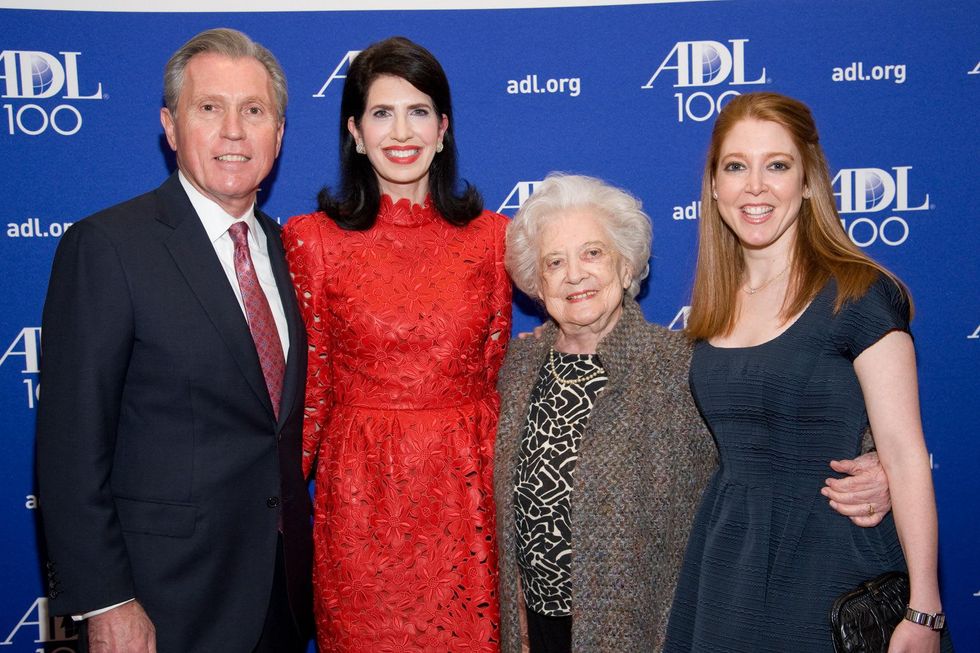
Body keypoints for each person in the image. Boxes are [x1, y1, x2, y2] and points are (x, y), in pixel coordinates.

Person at [495, 173, 891, 653]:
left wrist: (878, 461)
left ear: (627, 266)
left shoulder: (682, 362)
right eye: (554, 262)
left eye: (593, 253)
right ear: (537, 284)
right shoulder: (516, 367)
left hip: (653, 627)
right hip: (537, 625)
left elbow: (787, 421)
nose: (574, 274)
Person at [35, 28, 312, 653]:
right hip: (163, 603)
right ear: (170, 125)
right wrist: (107, 601)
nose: (234, 131)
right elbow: (71, 446)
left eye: (254, 111)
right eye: (209, 107)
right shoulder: (108, 247)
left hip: (282, 597)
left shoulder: (292, 252)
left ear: (278, 134)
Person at [664, 92, 953, 652]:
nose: (755, 187)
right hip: (726, 568)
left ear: (807, 181)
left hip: (831, 566)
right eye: (736, 167)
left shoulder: (859, 294)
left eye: (777, 165)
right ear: (714, 186)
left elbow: (904, 452)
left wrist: (925, 610)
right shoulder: (712, 310)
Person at [282, 36, 510, 651]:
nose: (402, 132)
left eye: (418, 112)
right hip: (362, 501)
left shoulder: (494, 238)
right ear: (355, 132)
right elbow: (312, 391)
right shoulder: (312, 240)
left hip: (468, 498)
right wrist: (271, 506)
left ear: (443, 129)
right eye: (382, 113)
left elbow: (494, 374)